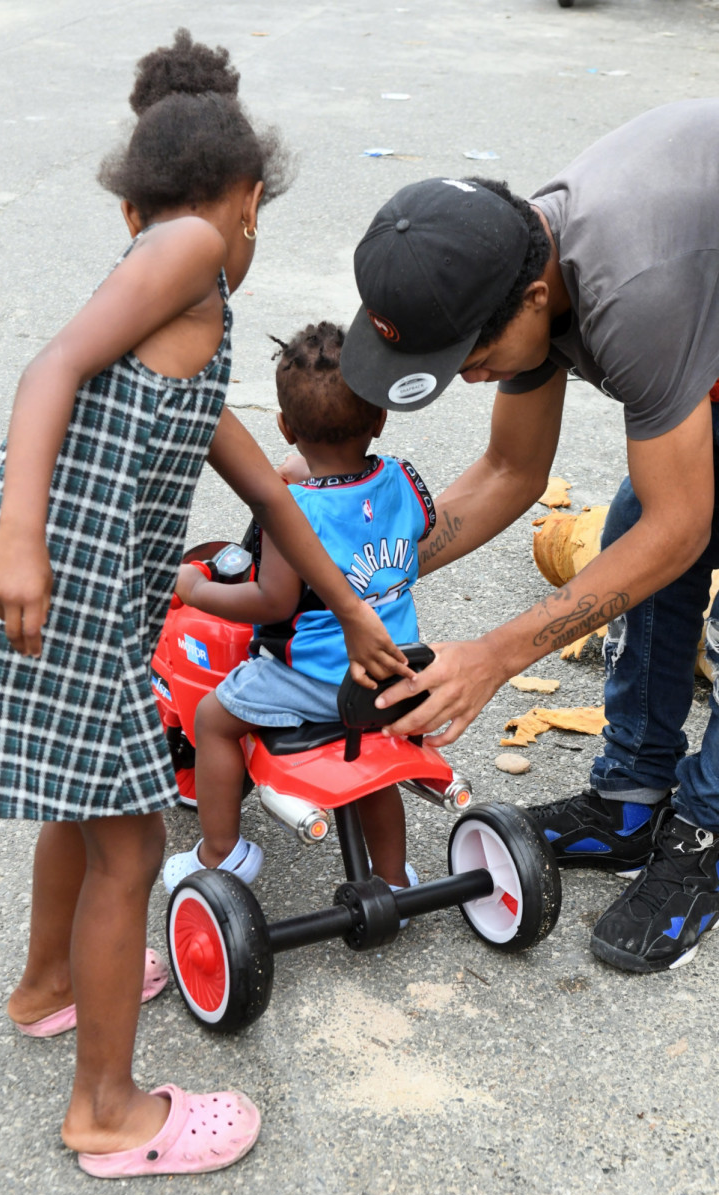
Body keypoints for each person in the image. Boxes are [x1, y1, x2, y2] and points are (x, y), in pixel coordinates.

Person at [0, 32, 409, 1181]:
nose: (249, 238)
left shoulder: (175, 302)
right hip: (59, 590)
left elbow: (267, 494)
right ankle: (108, 1108)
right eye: (258, 217)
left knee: (85, 812)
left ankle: (50, 983)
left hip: (68, 599)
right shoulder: (191, 248)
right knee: (135, 842)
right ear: (244, 197)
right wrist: (18, 537)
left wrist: (346, 607)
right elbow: (46, 369)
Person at [338, 99, 719, 975]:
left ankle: (705, 830)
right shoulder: (520, 260)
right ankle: (629, 801)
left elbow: (682, 525)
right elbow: (512, 470)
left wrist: (496, 653)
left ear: (536, 299)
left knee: (658, 527)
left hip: (686, 288)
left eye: (467, 357)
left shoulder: (634, 294)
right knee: (634, 527)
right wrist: (359, 571)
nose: (466, 379)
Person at [162, 321, 436, 911]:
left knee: (212, 719)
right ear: (380, 418)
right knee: (373, 762)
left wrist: (194, 587)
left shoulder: (291, 513)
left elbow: (272, 602)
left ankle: (220, 853)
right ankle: (394, 880)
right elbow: (390, 519)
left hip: (314, 681)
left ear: (286, 427)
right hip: (394, 674)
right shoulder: (402, 480)